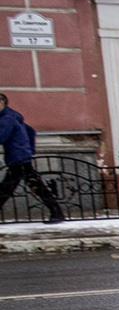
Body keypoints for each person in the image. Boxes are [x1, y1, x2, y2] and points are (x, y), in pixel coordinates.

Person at [0, 94, 64, 222]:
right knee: (9, 187)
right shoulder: (14, 116)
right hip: (21, 157)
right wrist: (29, 151)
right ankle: (57, 212)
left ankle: (57, 213)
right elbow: (31, 131)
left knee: (11, 187)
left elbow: (1, 136)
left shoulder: (7, 118)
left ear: (1, 103)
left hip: (18, 158)